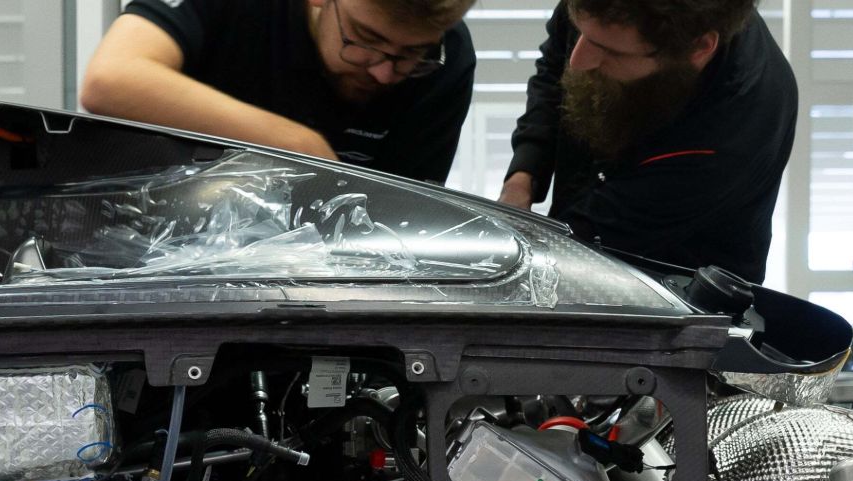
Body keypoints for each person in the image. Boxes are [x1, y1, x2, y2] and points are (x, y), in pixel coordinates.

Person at [496, 0, 795, 283]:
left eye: (608, 51)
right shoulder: (606, 11)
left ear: (699, 49)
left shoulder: (734, 132)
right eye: (580, 32)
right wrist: (524, 175)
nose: (578, 61)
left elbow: (585, 240)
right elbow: (554, 70)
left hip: (677, 299)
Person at [80, 0, 477, 184]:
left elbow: (408, 214)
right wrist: (299, 145)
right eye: (365, 39)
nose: (385, 72)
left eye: (412, 54)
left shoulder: (449, 59)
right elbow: (111, 79)